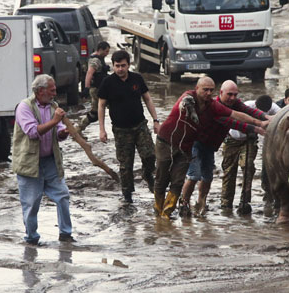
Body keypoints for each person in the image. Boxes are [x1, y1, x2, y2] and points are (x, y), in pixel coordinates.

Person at [154, 77, 265, 219]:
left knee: (187, 179)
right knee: (172, 177)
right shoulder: (190, 97)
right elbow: (185, 100)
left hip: (195, 146)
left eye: (210, 90)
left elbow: (238, 114)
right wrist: (257, 127)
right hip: (174, 142)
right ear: (197, 88)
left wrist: (262, 121)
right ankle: (166, 208)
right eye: (205, 90)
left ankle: (171, 213)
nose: (208, 93)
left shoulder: (212, 106)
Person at [12, 74, 74, 244]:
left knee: (63, 196)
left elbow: (59, 129)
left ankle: (66, 234)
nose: (55, 93)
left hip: (50, 161)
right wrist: (55, 122)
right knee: (31, 204)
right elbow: (32, 132)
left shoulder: (53, 106)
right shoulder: (24, 107)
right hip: (29, 164)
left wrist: (62, 132)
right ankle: (31, 239)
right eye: (52, 90)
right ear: (40, 91)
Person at [98, 50, 159, 203]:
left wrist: (156, 120)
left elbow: (148, 99)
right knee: (125, 166)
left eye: (123, 66)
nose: (120, 69)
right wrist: (102, 129)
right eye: (117, 66)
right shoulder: (108, 82)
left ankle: (147, 174)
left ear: (128, 65)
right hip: (120, 130)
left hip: (140, 125)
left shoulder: (137, 79)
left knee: (150, 154)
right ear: (112, 65)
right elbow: (101, 105)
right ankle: (127, 196)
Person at [221, 94, 280, 213]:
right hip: (232, 139)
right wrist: (256, 127)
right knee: (229, 171)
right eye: (259, 111)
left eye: (265, 112)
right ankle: (226, 203)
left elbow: (281, 117)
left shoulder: (274, 109)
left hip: (249, 141)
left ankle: (245, 202)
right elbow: (234, 121)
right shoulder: (246, 106)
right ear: (255, 106)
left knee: (248, 168)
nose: (262, 113)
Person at [76, 41, 110, 134]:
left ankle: (78, 129)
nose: (107, 54)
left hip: (98, 88)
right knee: (115, 107)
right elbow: (89, 74)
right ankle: (78, 129)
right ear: (100, 50)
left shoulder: (97, 57)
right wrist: (86, 88)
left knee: (95, 113)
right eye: (106, 51)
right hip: (97, 90)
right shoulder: (95, 60)